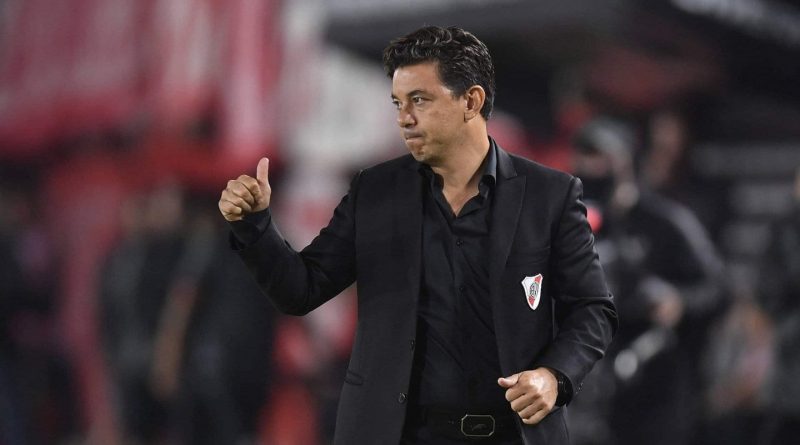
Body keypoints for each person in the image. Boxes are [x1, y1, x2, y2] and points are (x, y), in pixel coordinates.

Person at [219, 26, 617, 445]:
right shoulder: (375, 192)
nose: (404, 118)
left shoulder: (549, 195)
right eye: (398, 103)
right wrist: (255, 225)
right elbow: (301, 290)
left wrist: (555, 377)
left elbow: (592, 310)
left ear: (471, 101)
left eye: (420, 100)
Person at [569, 117, 725, 445]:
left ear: (627, 160)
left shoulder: (666, 222)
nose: (593, 167)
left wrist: (678, 302)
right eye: (586, 157)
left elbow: (716, 288)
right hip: (590, 392)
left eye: (602, 157)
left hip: (655, 384)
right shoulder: (572, 225)